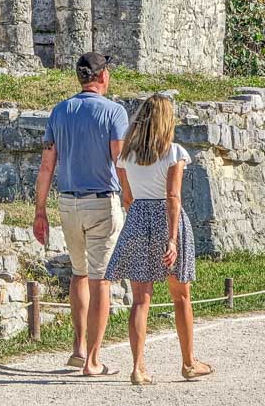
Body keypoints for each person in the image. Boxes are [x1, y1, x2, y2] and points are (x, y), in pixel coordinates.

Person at [105, 93, 213, 385]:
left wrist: (141, 217)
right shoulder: (173, 152)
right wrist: (172, 239)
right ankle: (189, 363)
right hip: (169, 220)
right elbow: (173, 196)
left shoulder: (126, 155)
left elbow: (126, 197)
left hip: (139, 216)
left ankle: (138, 367)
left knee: (141, 300)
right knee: (181, 297)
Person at [34, 52, 127, 377]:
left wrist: (39, 210)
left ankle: (78, 348)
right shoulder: (115, 112)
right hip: (102, 200)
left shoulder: (60, 111)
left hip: (68, 202)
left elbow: (47, 164)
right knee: (102, 278)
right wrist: (129, 198)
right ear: (103, 76)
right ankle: (94, 360)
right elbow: (119, 161)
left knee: (79, 273)